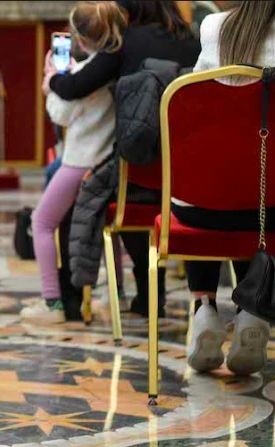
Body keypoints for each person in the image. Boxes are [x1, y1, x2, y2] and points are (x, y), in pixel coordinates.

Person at [47, 0, 201, 317]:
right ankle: (153, 295)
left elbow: (75, 87)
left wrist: (51, 79)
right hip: (185, 178)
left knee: (84, 197)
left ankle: (72, 299)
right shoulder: (193, 40)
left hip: (138, 172)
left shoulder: (125, 41)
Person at [180, 1, 275, 376]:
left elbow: (193, 103)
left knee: (214, 182)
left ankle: (204, 308)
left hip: (201, 207)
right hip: (268, 208)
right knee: (256, 192)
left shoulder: (213, 27)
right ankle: (252, 311)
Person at [19, 2, 126, 324]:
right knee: (107, 228)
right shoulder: (112, 65)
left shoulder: (82, 74)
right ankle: (117, 294)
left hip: (80, 161)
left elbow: (60, 114)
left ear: (79, 38)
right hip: (107, 161)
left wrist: (50, 80)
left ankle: (52, 302)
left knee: (42, 222)